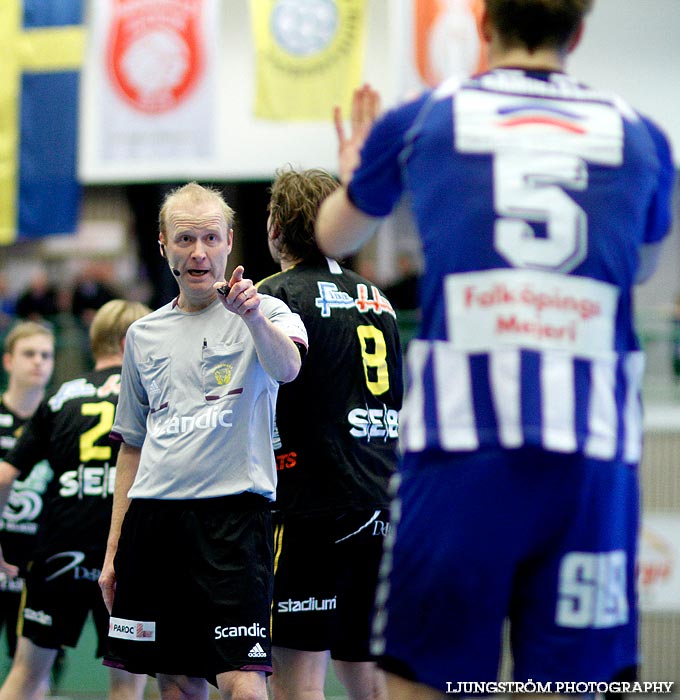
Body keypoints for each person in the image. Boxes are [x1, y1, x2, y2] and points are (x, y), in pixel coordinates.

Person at [316, 1, 676, 697]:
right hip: (591, 454)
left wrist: (355, 172)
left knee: (430, 680)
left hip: (461, 448)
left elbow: (334, 239)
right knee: (573, 684)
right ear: (577, 31)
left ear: (483, 26)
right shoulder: (643, 136)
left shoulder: (427, 115)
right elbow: (638, 266)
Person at [99, 182, 307, 700]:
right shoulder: (143, 334)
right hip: (155, 521)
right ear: (163, 244)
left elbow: (289, 368)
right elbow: (132, 446)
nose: (199, 252)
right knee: (175, 683)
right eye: (185, 238)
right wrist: (112, 553)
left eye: (210, 238)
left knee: (244, 680)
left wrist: (252, 316)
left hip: (234, 521)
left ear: (230, 242)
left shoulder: (267, 311)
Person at [258, 168, 403, 700]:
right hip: (380, 500)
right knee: (366, 676)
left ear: (275, 227)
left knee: (298, 682)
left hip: (310, 506)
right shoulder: (378, 299)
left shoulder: (272, 299)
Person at [0, 300, 150, 700]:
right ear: (130, 340)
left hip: (56, 555)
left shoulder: (61, 396)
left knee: (26, 674)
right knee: (125, 683)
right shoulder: (150, 394)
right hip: (124, 560)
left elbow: (4, 476)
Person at [0, 322, 55, 665]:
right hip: (2, 546)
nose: (39, 362)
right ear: (8, 361)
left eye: (46, 355)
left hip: (41, 560)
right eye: (29, 354)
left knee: (37, 670)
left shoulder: (62, 417)